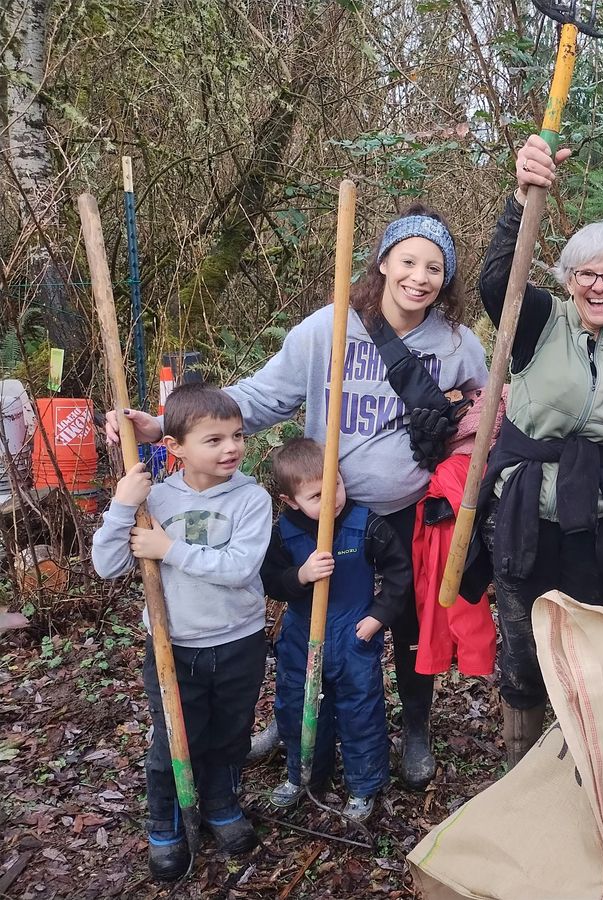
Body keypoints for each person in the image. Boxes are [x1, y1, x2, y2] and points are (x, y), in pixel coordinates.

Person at [106, 204, 488, 792]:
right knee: (313, 612)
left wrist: (457, 444)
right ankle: (295, 717)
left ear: (448, 278)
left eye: (435, 268)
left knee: (410, 621)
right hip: (323, 511)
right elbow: (262, 397)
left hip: (410, 511)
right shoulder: (328, 328)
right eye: (408, 261)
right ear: (383, 262)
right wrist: (162, 426)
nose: (419, 277)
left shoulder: (458, 344)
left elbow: (483, 416)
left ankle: (414, 727)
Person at [478, 134, 603, 766]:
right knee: (524, 649)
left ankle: (577, 766)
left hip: (594, 521)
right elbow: (496, 281)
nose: (599, 284)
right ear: (569, 280)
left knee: (584, 649)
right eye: (587, 273)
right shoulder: (538, 321)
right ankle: (521, 768)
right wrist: (522, 197)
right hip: (525, 511)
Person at [92, 383, 272, 882]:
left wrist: (168, 549)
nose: (231, 447)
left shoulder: (251, 499)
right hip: (173, 646)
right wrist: (123, 507)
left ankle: (220, 804)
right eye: (214, 440)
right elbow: (107, 566)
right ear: (175, 447)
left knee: (231, 733)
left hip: (238, 641)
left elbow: (239, 568)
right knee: (174, 738)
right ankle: (166, 825)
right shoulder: (153, 499)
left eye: (237, 436)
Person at [260, 438, 410, 821]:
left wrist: (378, 616)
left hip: (353, 637)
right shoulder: (284, 532)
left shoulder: (365, 523)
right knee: (300, 707)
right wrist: (301, 575)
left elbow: (399, 570)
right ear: (291, 501)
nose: (332, 500)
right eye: (316, 496)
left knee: (360, 711)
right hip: (301, 638)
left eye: (336, 486)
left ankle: (363, 785)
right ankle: (305, 775)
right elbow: (271, 580)